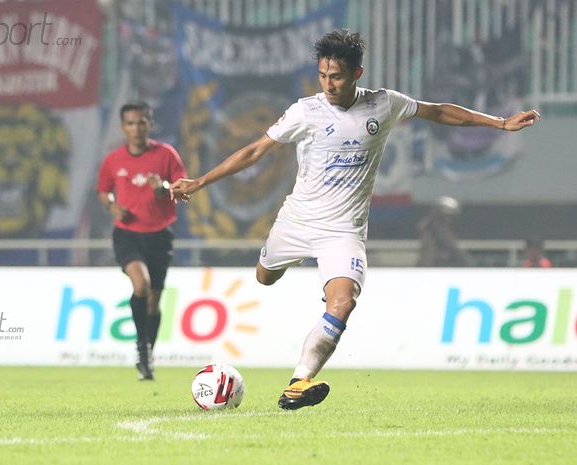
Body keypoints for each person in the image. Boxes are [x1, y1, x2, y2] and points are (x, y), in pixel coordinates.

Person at [171, 29, 540, 409]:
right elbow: (254, 152)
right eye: (323, 76)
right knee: (264, 277)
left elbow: (440, 111)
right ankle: (273, 263)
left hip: (342, 232)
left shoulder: (384, 104)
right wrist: (200, 182)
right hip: (296, 222)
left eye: (337, 77)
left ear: (357, 74)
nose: (329, 85)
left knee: (343, 302)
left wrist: (499, 123)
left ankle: (299, 381)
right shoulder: (305, 111)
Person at [97, 102, 186, 381]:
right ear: (123, 127)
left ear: (150, 124)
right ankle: (141, 346)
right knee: (142, 285)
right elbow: (104, 191)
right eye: (131, 123)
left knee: (153, 303)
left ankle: (147, 355)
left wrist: (163, 189)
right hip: (127, 234)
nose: (137, 128)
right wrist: (112, 206)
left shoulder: (166, 155)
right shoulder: (113, 160)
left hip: (159, 235)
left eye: (142, 122)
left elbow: (181, 187)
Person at [417, 196, 473, 267]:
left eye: (451, 217)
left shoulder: (446, 232)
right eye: (444, 217)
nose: (448, 220)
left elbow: (457, 252)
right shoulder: (429, 230)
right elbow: (428, 255)